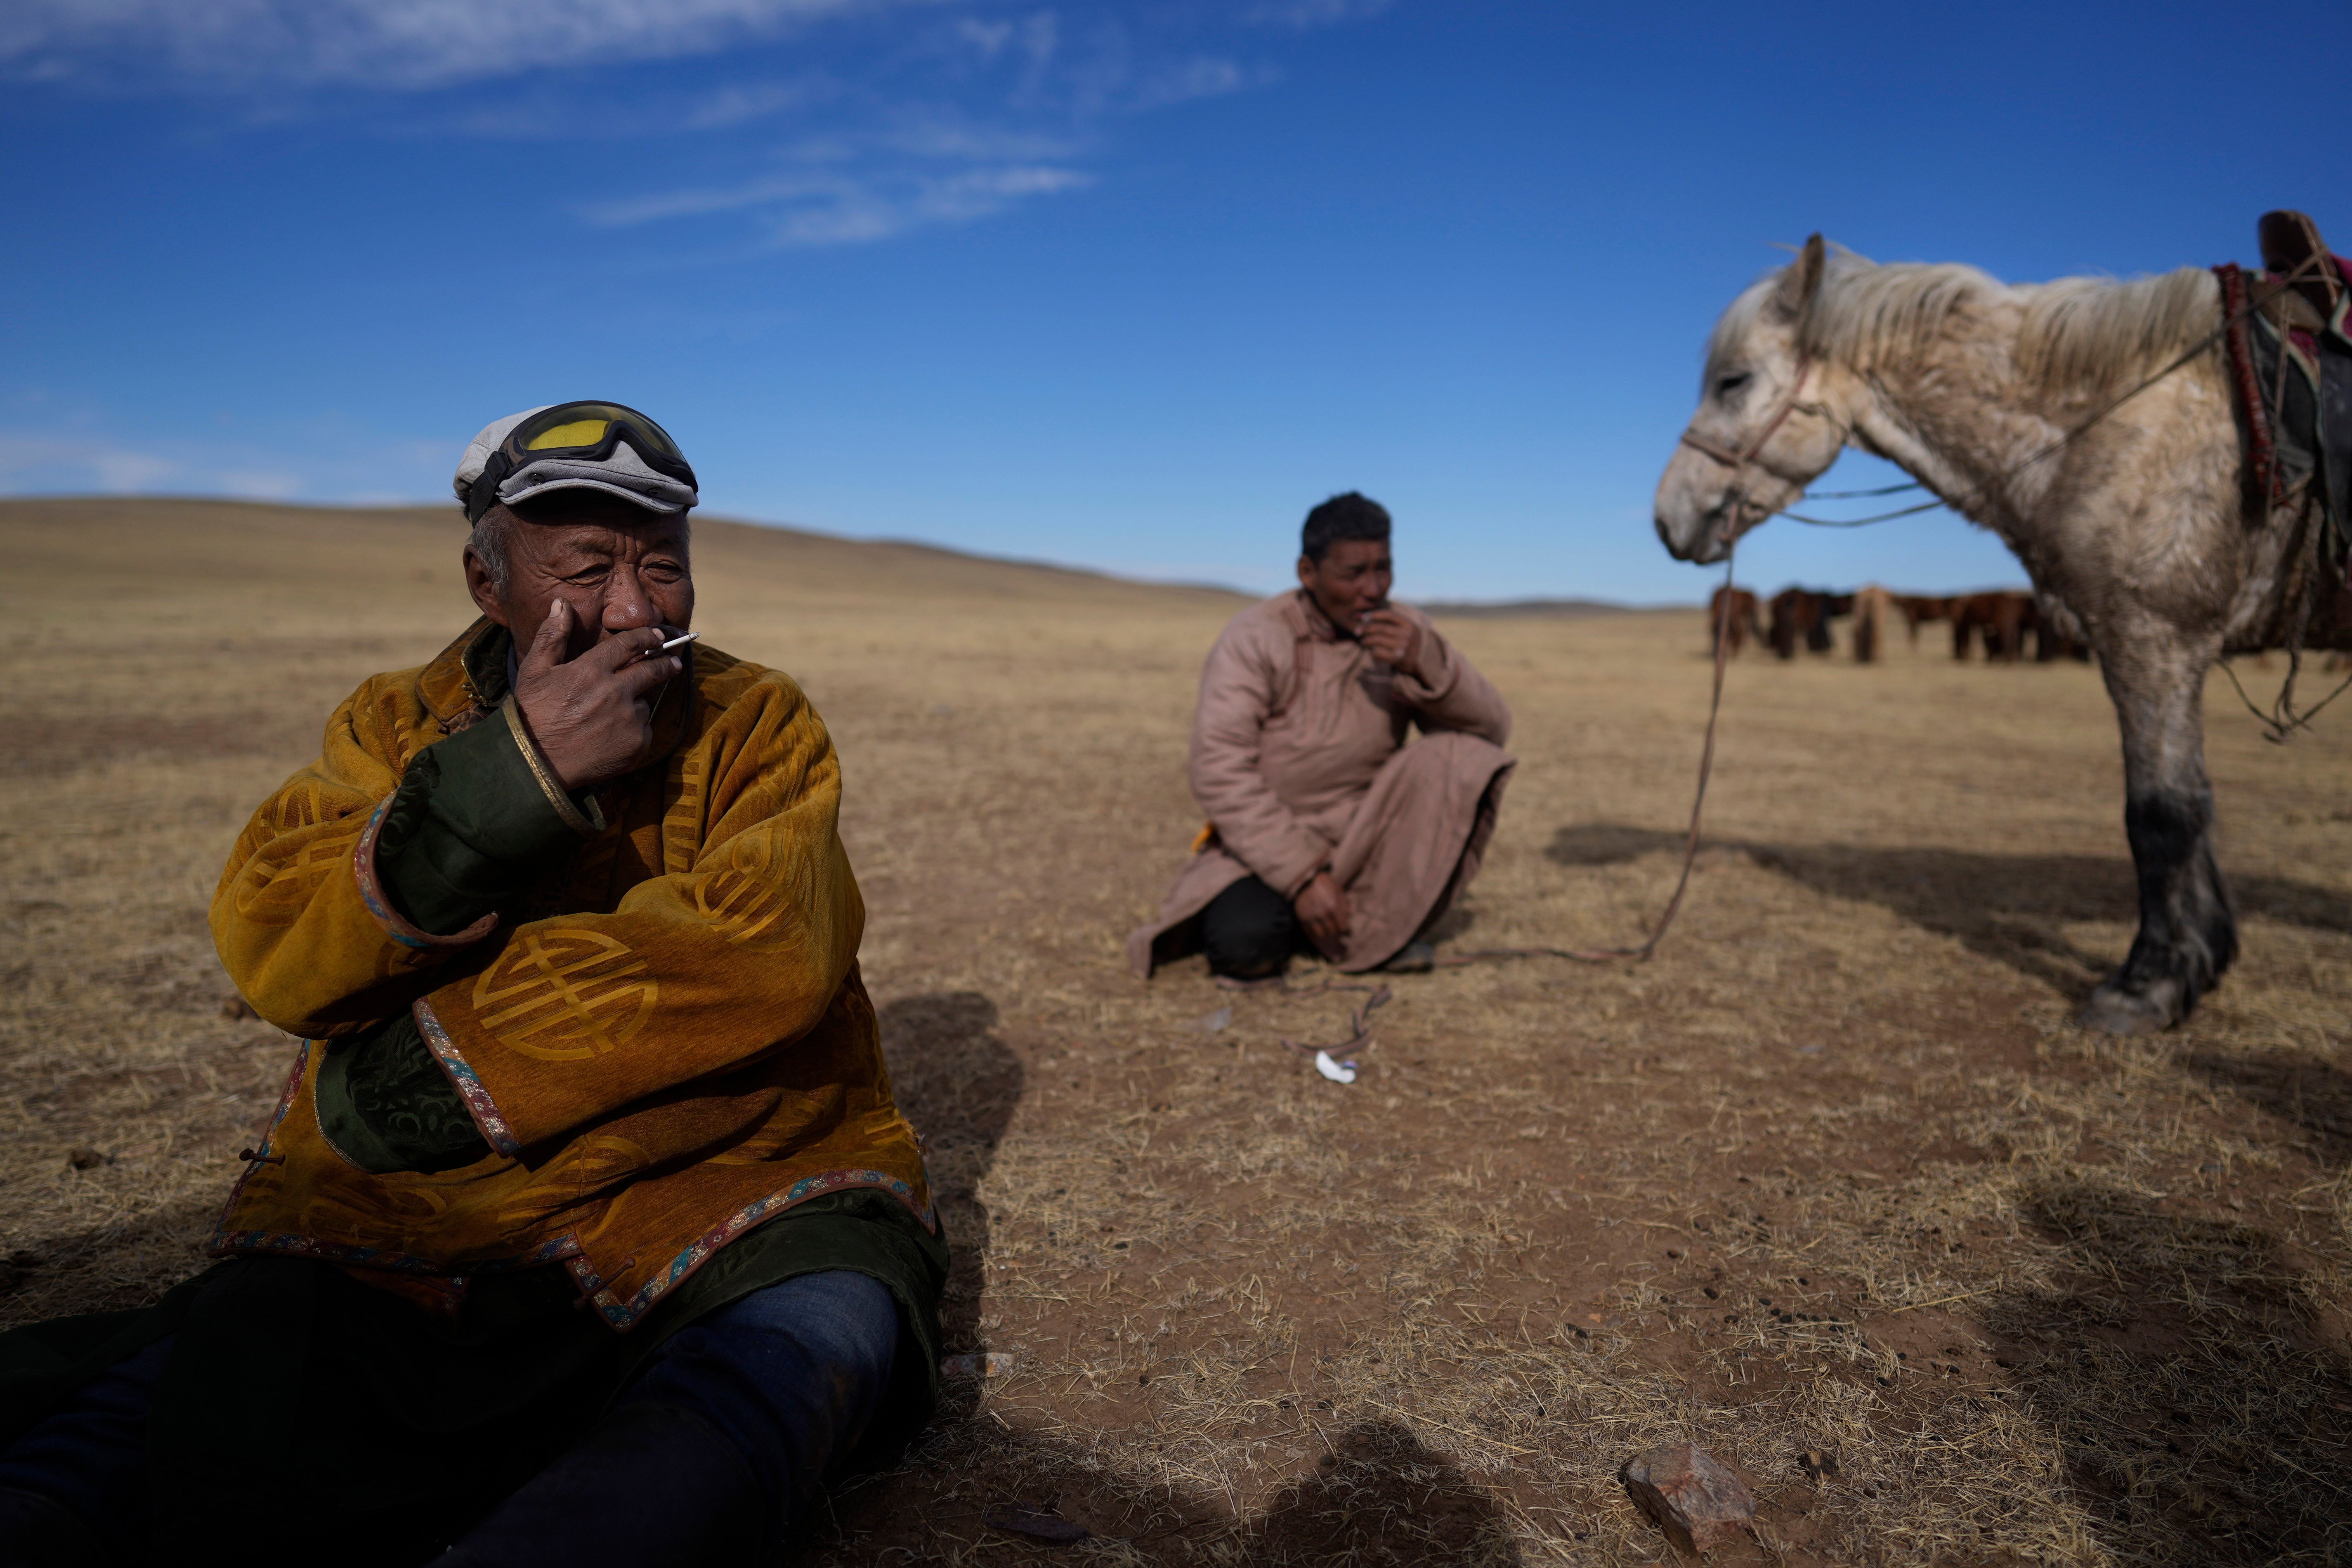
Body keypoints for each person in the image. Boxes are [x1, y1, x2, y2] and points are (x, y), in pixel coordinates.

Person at [0, 403, 945, 1568]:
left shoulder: (758, 721)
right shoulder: (394, 723)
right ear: (484, 581)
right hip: (452, 1209)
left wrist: (448, 1060)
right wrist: (517, 774)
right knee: (219, 1377)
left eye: (664, 567)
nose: (639, 609)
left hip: (733, 1178)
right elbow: (278, 940)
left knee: (804, 1353)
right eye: (588, 567)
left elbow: (765, 947)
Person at [1128, 492, 1515, 980]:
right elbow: (1218, 768)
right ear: (1308, 573)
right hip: (1269, 840)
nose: (1373, 589)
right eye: (1353, 573)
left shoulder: (1408, 630)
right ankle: (1339, 919)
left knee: (1460, 756)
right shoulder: (1257, 636)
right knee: (1247, 943)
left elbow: (1491, 731)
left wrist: (1427, 663)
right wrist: (1302, 874)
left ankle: (1360, 920)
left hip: (1366, 835)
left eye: (1384, 569)